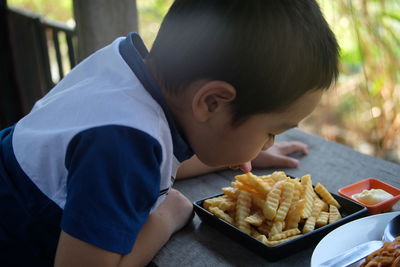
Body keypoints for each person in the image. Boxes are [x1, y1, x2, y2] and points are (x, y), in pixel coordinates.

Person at [0, 0, 339, 266]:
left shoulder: (127, 74)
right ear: (211, 103)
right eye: (270, 131)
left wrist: (243, 150)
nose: (269, 142)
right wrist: (167, 216)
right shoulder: (122, 146)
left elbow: (155, 161)